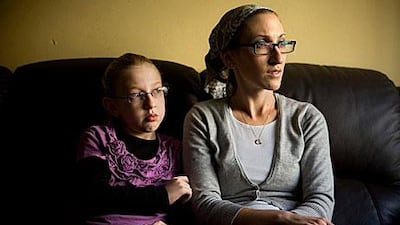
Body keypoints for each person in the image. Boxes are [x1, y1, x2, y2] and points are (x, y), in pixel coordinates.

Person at [182, 4, 335, 225]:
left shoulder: (307, 119)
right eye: (261, 44)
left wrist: (292, 221)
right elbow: (205, 204)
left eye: (281, 43)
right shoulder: (203, 119)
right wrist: (277, 219)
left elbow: (321, 198)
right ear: (229, 58)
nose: (278, 57)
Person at [75, 53, 192, 225]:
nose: (151, 103)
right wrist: (162, 195)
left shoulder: (176, 148)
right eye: (137, 95)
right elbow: (93, 194)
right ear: (113, 107)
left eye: (157, 91)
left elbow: (187, 205)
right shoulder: (98, 138)